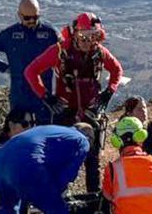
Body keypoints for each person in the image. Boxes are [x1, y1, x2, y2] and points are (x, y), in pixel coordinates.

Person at [24, 12, 123, 193]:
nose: (87, 40)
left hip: (90, 111)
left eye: (92, 36)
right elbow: (31, 71)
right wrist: (46, 96)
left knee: (92, 160)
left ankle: (92, 197)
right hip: (64, 110)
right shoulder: (60, 51)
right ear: (74, 34)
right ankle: (58, 196)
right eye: (83, 36)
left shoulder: (100, 52)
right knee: (60, 157)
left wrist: (109, 91)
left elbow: (117, 70)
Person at [0, 0, 59, 123]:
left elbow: (65, 52)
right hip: (20, 94)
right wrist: (5, 68)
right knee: (18, 130)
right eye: (27, 18)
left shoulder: (50, 33)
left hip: (43, 94)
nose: (31, 21)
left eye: (35, 17)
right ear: (19, 15)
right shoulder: (10, 34)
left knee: (44, 132)